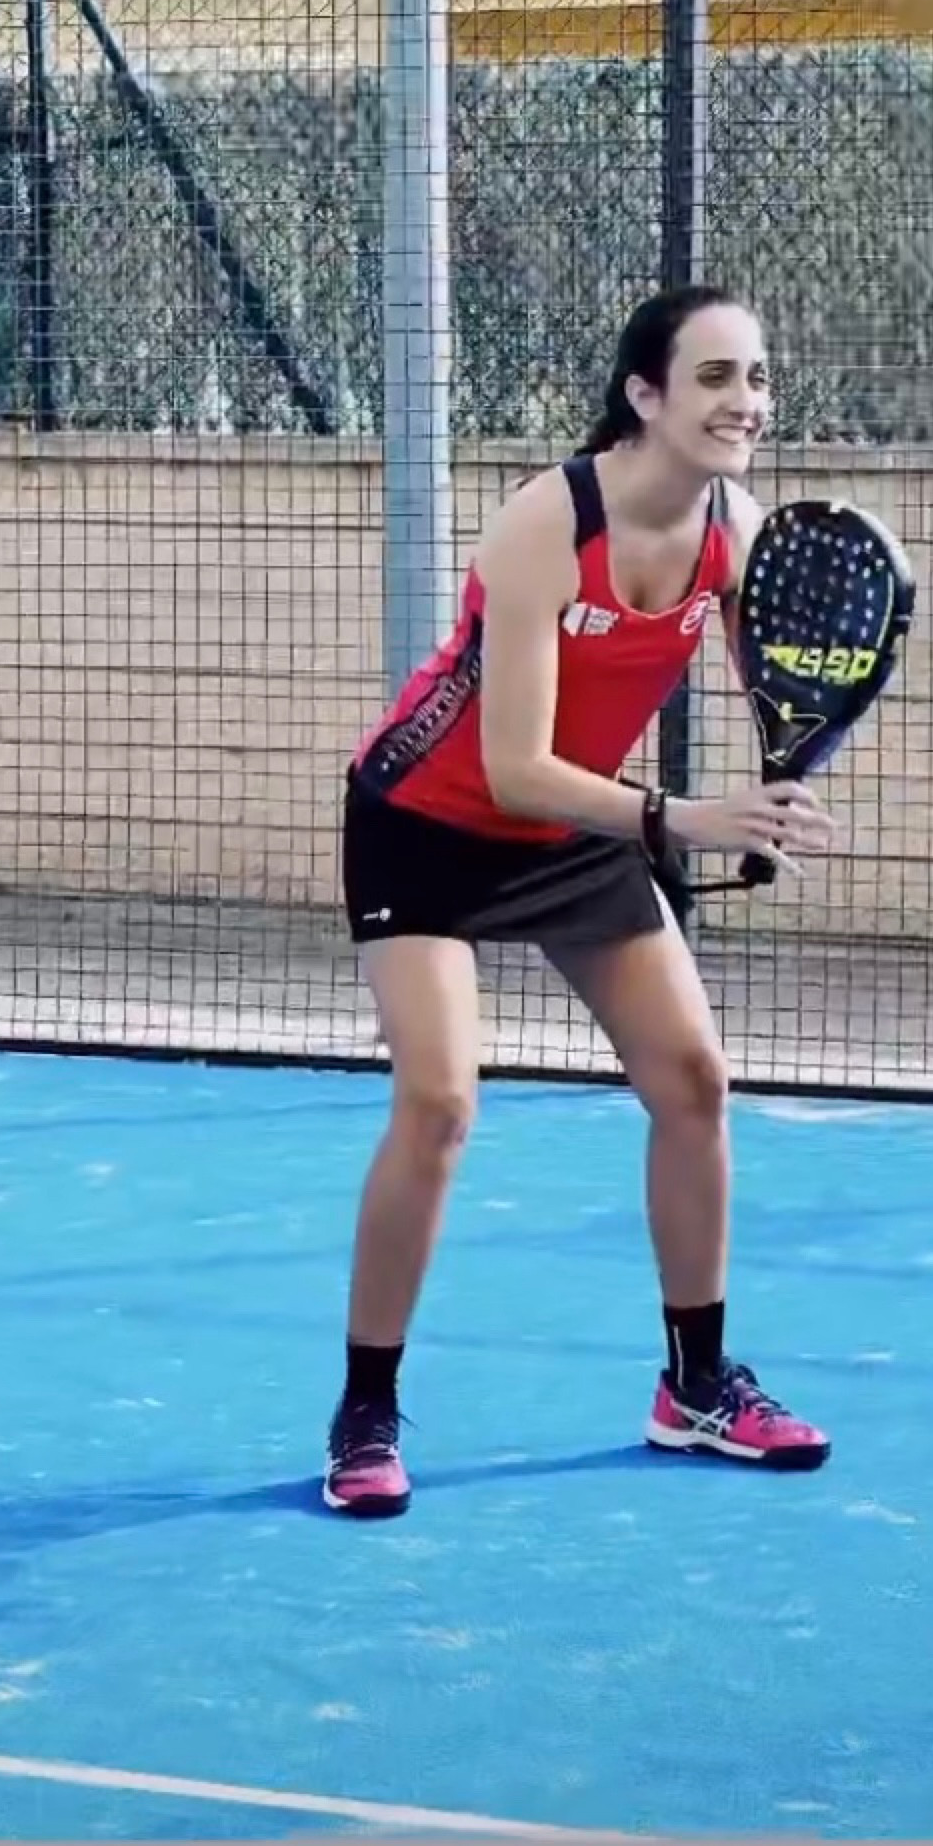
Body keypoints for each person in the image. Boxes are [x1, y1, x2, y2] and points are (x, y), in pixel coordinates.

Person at [324, 285, 837, 1519]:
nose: (743, 401)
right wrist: (690, 818)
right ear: (642, 394)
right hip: (423, 824)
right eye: (712, 377)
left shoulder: (733, 533)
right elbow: (513, 766)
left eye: (755, 378)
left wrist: (781, 783)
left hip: (576, 829)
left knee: (692, 1081)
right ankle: (364, 1410)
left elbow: (773, 689)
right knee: (439, 1102)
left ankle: (695, 1387)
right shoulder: (546, 522)